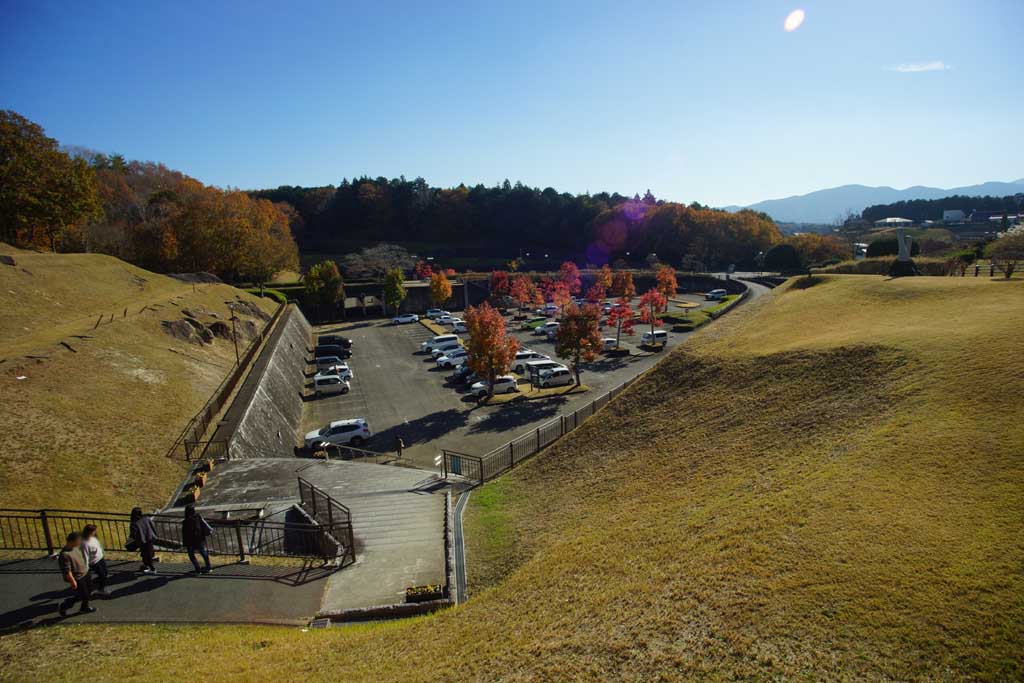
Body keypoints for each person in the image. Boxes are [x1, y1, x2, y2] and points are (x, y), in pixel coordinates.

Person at [58, 532, 96, 616]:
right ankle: (66, 606)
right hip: (78, 577)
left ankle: (81, 606)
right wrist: (73, 581)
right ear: (72, 541)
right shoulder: (65, 555)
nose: (80, 542)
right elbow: (67, 571)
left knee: (89, 591)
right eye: (79, 541)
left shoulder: (75, 547)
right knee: (84, 595)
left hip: (85, 573)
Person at [182, 504, 213, 574]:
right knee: (203, 553)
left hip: (191, 541)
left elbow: (185, 534)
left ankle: (198, 569)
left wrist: (185, 543)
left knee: (191, 555)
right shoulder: (198, 517)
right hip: (200, 539)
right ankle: (208, 567)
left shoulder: (186, 521)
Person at [81, 524, 109, 597]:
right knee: (103, 576)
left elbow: (98, 546)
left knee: (105, 572)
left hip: (100, 558)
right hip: (94, 562)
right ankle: (100, 589)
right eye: (94, 531)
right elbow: (85, 556)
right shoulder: (85, 544)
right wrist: (86, 568)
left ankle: (93, 583)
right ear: (90, 532)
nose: (95, 532)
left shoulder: (93, 538)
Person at [129, 507, 157, 574]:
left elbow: (133, 535)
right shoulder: (146, 518)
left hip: (142, 541)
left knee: (146, 555)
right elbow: (152, 526)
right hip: (150, 538)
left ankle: (152, 569)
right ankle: (148, 567)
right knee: (148, 554)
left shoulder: (134, 523)